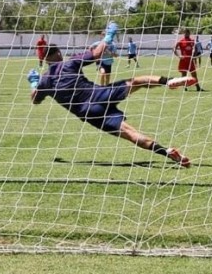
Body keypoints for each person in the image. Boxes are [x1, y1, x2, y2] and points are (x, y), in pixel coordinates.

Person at [29, 23, 194, 167]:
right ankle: (170, 81)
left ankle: (166, 151)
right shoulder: (69, 63)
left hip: (89, 113)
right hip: (99, 94)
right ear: (58, 53)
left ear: (45, 58)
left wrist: (34, 83)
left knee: (130, 134)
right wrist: (109, 36)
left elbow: (35, 100)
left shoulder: (45, 81)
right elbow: (96, 54)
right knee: (136, 82)